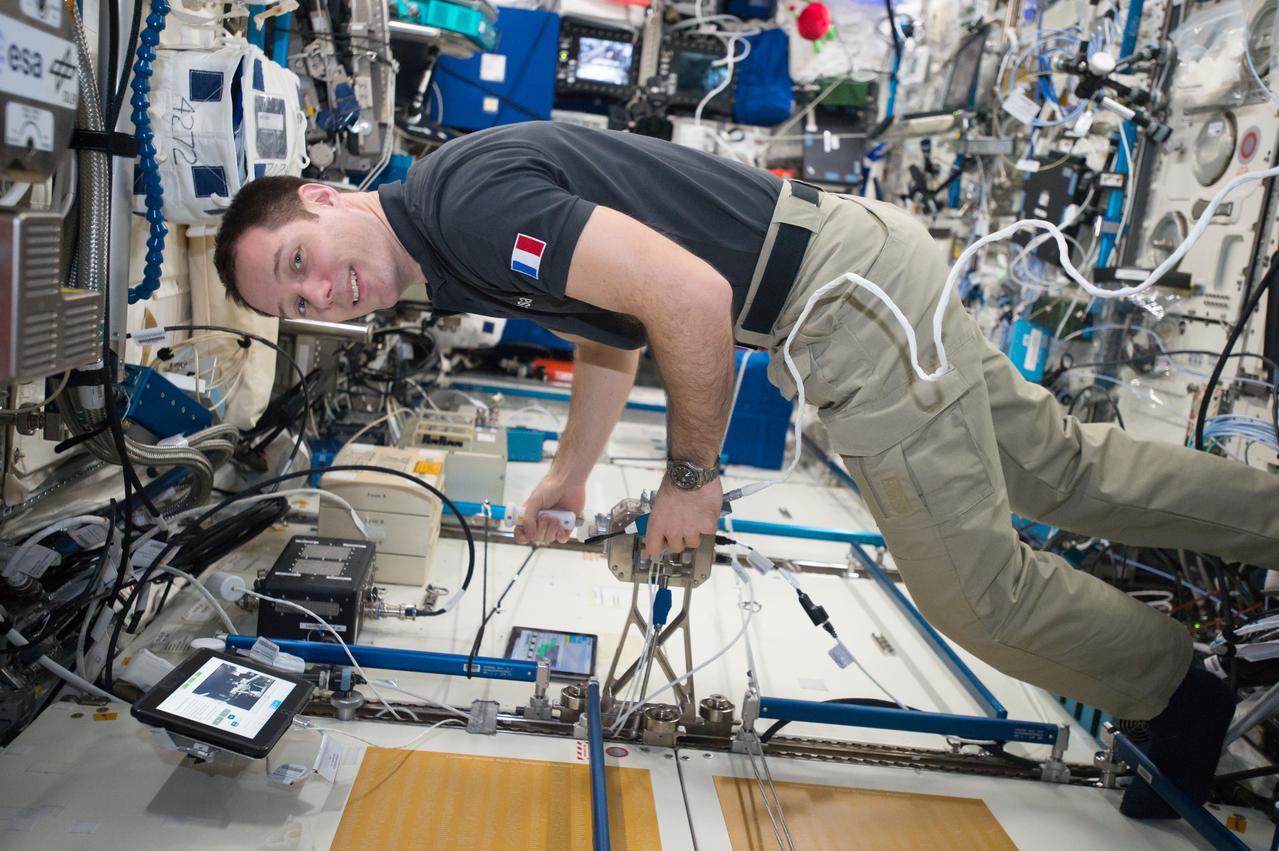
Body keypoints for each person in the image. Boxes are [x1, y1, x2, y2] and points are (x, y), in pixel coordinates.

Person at [214, 120, 1276, 817]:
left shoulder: (460, 209)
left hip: (846, 302)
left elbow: (690, 303)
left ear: (320, 194)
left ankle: (1183, 693)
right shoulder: (445, 240)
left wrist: (690, 475)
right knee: (1058, 473)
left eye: (300, 261)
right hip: (862, 264)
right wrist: (572, 469)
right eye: (296, 303)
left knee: (969, 586)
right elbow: (615, 324)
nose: (322, 294)